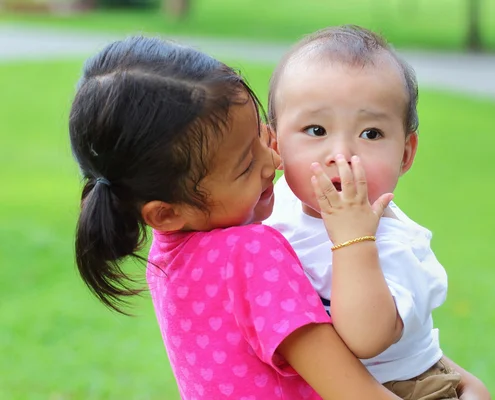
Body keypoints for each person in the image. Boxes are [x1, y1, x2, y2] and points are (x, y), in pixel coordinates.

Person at [68, 36, 404, 399]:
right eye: (246, 166)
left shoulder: (165, 256)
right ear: (166, 213)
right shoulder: (251, 253)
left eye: (262, 137)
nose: (273, 162)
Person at [265, 25, 490, 399]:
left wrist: (354, 240)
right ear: (275, 144)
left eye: (370, 134)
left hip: (407, 389)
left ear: (405, 154)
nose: (341, 154)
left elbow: (366, 338)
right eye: (316, 129)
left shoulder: (398, 247)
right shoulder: (278, 203)